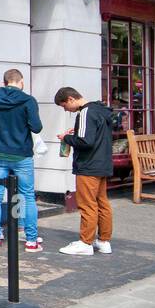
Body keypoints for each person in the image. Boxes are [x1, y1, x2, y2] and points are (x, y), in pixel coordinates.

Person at [0, 68, 44, 251]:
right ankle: (31, 240)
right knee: (27, 195)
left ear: (4, 82)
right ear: (21, 81)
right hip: (21, 154)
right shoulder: (28, 100)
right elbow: (36, 127)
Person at [54, 86, 116, 256]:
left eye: (64, 106)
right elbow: (94, 136)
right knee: (102, 203)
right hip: (103, 163)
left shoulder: (85, 112)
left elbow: (84, 141)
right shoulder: (101, 109)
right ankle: (104, 241)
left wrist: (66, 138)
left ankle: (85, 243)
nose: (66, 110)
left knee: (87, 204)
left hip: (88, 165)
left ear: (71, 99)